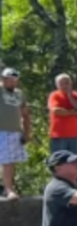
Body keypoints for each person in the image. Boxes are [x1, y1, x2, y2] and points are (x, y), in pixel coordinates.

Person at [0, 67, 31, 200]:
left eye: (15, 80)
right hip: (1, 130)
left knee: (10, 161)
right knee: (6, 160)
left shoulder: (19, 94)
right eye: (10, 80)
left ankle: (8, 189)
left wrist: (27, 132)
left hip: (14, 131)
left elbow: (25, 114)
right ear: (3, 79)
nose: (13, 83)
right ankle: (8, 189)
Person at [48, 73, 77, 156]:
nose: (65, 86)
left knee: (76, 164)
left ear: (71, 83)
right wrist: (73, 112)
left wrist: (70, 96)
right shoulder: (54, 96)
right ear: (57, 85)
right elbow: (57, 111)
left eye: (67, 83)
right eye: (61, 84)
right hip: (58, 136)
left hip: (76, 136)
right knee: (59, 164)